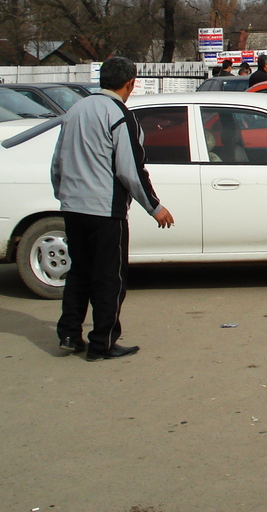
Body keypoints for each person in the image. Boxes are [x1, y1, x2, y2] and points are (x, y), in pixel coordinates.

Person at [51, 56, 174, 361]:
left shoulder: (75, 110)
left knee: (79, 272)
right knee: (109, 278)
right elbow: (130, 169)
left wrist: (63, 195)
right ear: (130, 83)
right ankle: (102, 342)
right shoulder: (119, 115)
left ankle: (69, 334)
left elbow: (58, 161)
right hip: (104, 210)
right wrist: (154, 206)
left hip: (73, 207)